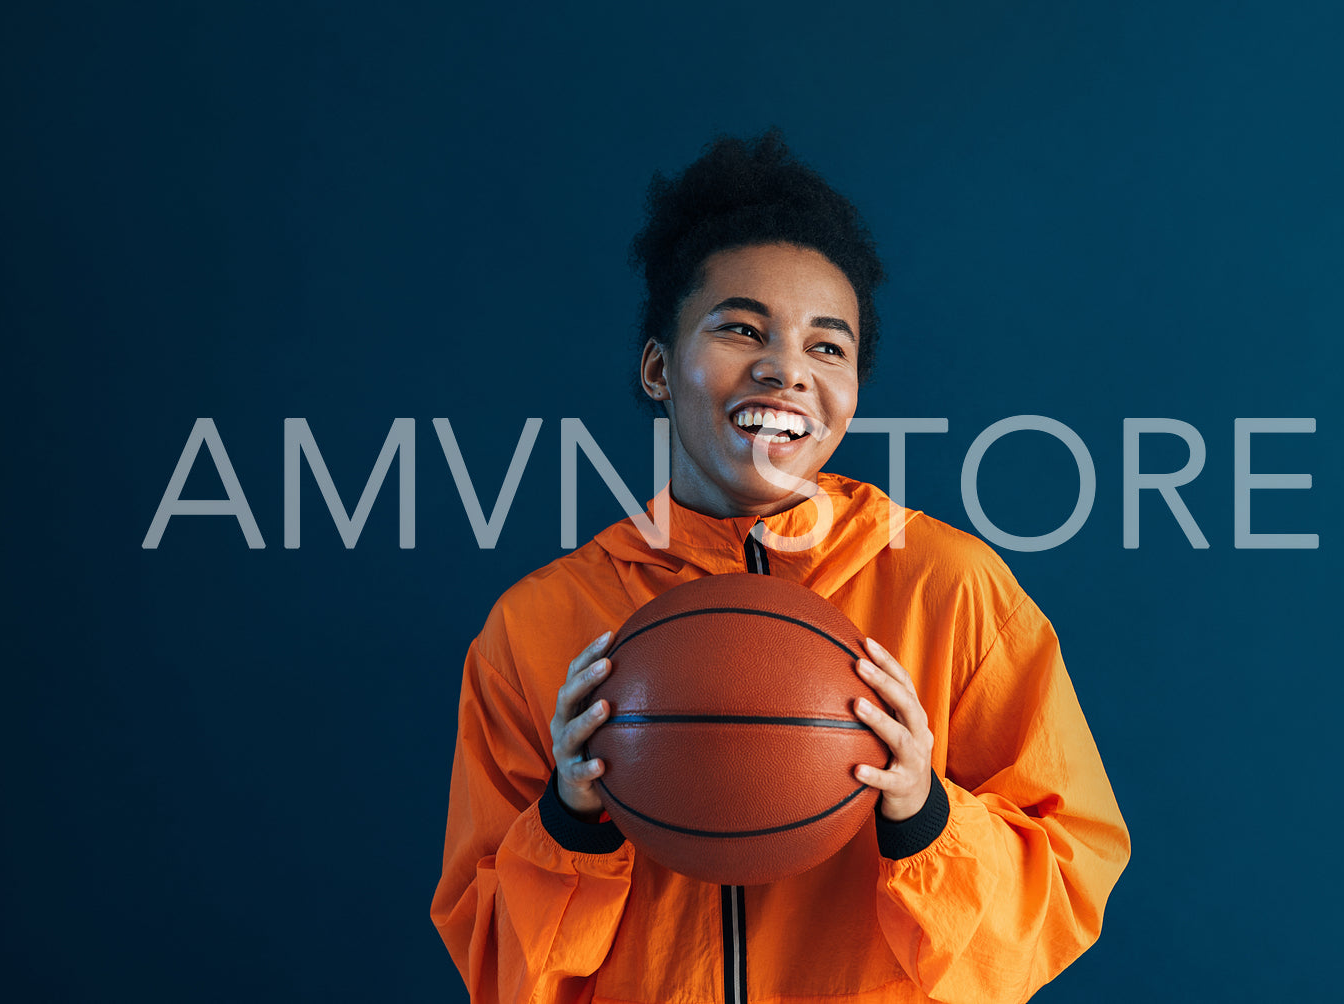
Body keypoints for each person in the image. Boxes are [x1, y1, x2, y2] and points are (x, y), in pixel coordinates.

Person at [431, 131, 1130, 1004]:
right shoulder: (536, 627)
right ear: (657, 368)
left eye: (826, 348)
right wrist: (570, 826)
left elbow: (1062, 895)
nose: (784, 369)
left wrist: (925, 812)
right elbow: (496, 968)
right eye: (739, 328)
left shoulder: (952, 587)